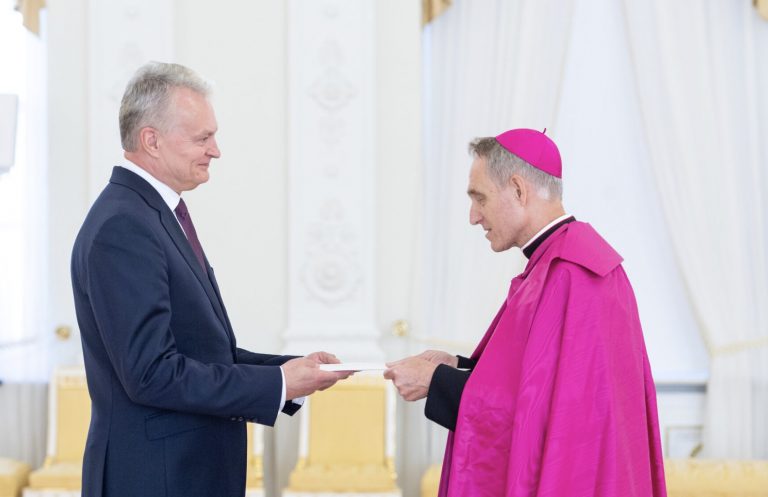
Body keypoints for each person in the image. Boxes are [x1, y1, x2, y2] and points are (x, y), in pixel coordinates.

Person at [71, 61, 349, 497]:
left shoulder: (152, 213)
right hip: (157, 479)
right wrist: (278, 384)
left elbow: (203, 351)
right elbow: (152, 373)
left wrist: (293, 372)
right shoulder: (123, 225)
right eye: (202, 138)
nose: (215, 150)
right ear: (151, 140)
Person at [384, 129, 667, 496]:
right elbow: (531, 382)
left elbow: (547, 418)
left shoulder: (574, 273)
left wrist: (436, 381)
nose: (473, 216)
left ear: (518, 189)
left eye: (480, 198)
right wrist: (457, 367)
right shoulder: (558, 263)